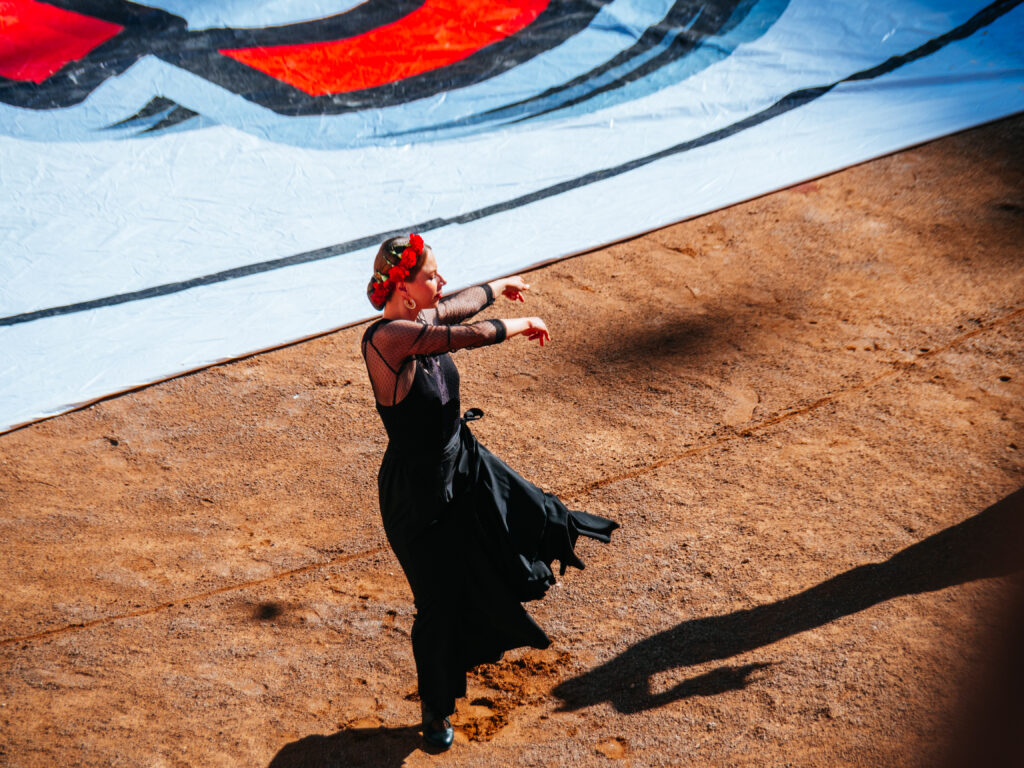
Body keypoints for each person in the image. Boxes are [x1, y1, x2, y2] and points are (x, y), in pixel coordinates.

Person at [360, 233, 618, 750]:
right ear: (405, 290)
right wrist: (518, 325)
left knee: (530, 509)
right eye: (432, 275)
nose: (442, 281)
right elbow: (463, 335)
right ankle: (435, 710)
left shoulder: (422, 315)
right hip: (419, 497)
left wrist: (500, 285)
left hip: (463, 459)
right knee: (438, 602)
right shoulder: (385, 340)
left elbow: (459, 307)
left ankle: (534, 561)